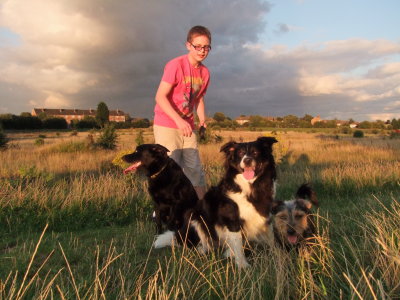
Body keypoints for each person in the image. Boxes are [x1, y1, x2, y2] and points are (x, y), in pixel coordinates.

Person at [153, 25, 211, 199]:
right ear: (188, 45)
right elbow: (160, 97)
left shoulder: (205, 73)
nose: (202, 51)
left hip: (188, 125)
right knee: (170, 168)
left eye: (206, 47)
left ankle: (202, 211)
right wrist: (179, 121)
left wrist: (202, 121)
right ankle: (164, 211)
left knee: (194, 169)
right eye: (198, 46)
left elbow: (199, 99)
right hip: (167, 124)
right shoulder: (175, 65)